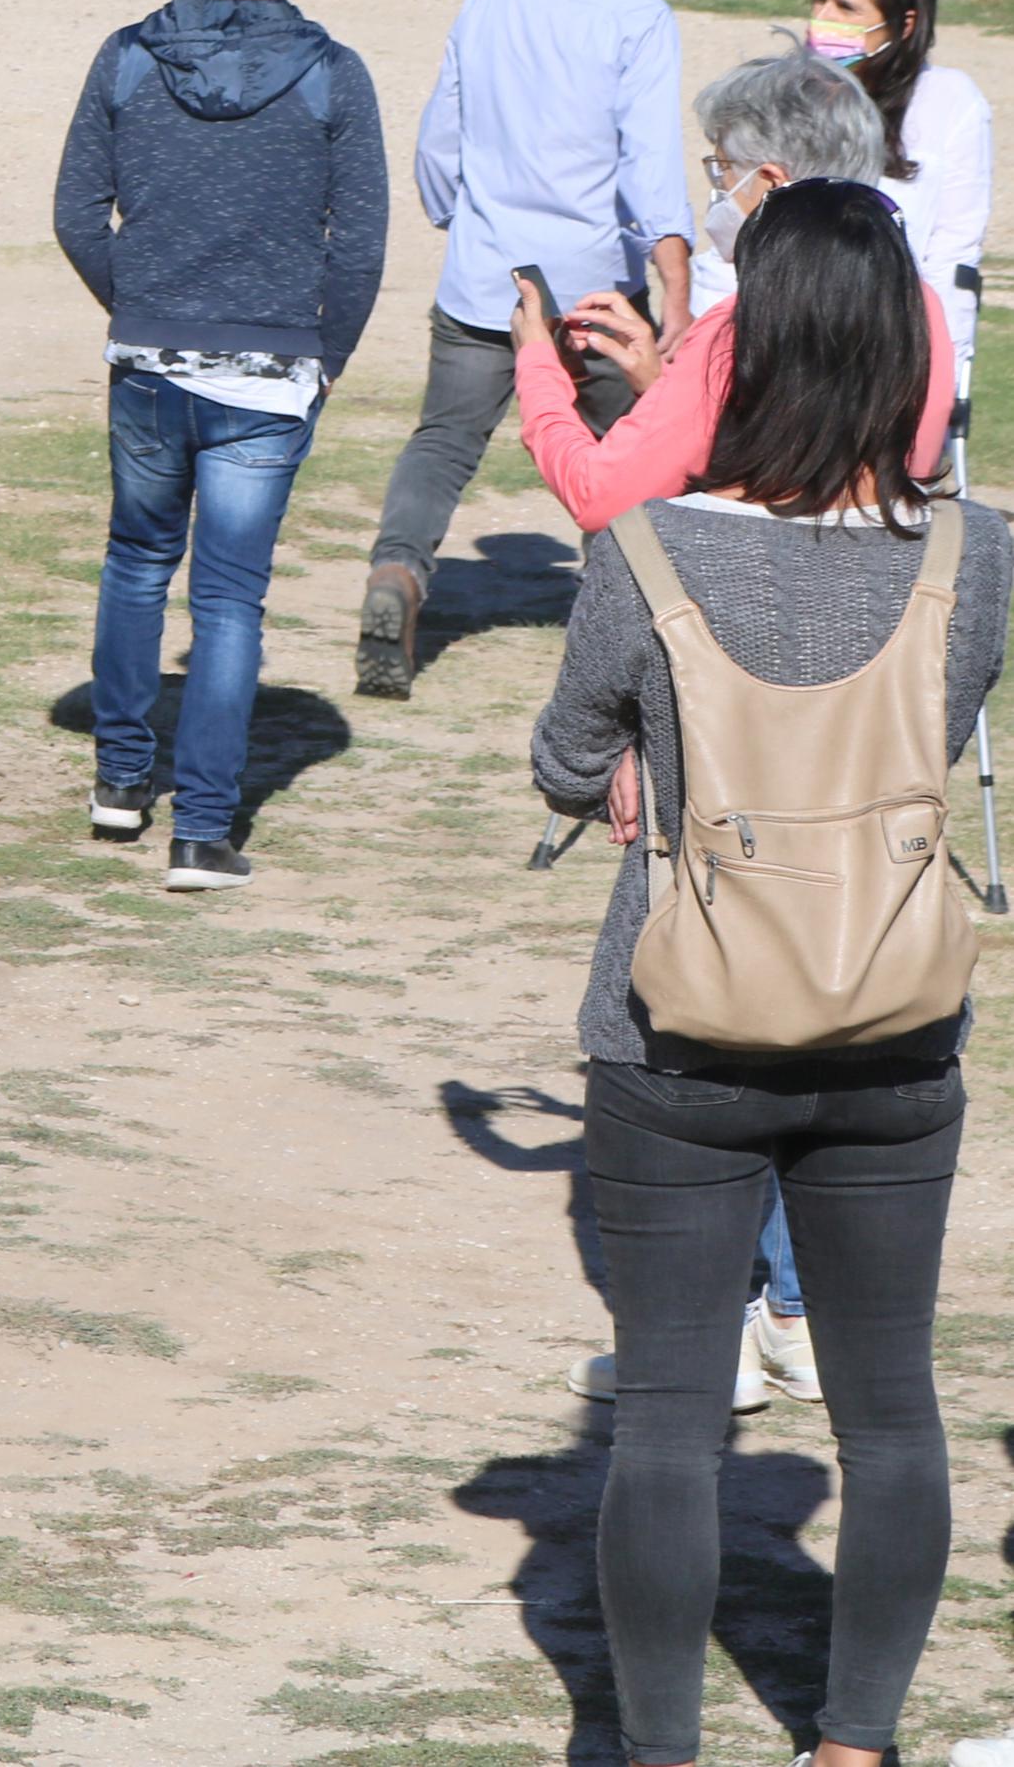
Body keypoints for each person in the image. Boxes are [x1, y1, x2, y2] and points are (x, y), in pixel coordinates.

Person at [529, 178, 1005, 1767]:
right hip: (889, 1012)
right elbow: (923, 730)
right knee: (887, 1413)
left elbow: (559, 754)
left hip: (676, 1019)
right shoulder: (972, 554)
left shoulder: (647, 547)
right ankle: (852, 1739)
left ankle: (654, 1746)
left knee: (664, 1415)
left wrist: (629, 766)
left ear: (737, 354)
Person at [52, 0, 387, 893]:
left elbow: (76, 212)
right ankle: (199, 833)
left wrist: (139, 304)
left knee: (136, 562)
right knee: (230, 601)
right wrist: (322, 355)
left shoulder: (125, 59)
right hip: (269, 371)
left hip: (150, 363)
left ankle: (118, 782)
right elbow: (359, 244)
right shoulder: (335, 73)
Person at [360, 0, 694, 700]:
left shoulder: (486, 3)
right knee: (626, 449)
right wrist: (676, 291)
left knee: (442, 440)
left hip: (485, 275)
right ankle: (628, 621)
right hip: (594, 285)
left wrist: (461, 219)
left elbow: (441, 138)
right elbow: (649, 166)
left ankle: (396, 575)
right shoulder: (637, 18)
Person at [516, 52, 952, 537]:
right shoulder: (923, 307)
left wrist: (538, 366)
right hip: (888, 578)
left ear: (770, 182)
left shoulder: (739, 327)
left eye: (721, 172)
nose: (718, 191)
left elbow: (598, 495)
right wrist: (666, 387)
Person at [810, 0, 991, 366]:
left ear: (902, 24)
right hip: (796, 341)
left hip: (888, 352)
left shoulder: (950, 103)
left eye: (847, 7)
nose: (824, 18)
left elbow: (952, 255)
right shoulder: (788, 93)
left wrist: (945, 370)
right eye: (819, 0)